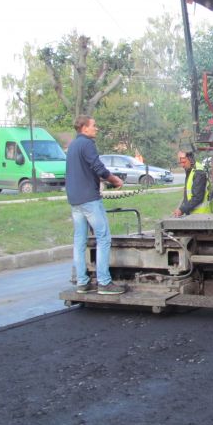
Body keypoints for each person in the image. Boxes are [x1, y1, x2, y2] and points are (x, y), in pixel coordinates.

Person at [66, 115, 126, 295]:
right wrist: (114, 179)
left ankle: (82, 282)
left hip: (75, 199)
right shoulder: (87, 144)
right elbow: (97, 167)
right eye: (94, 125)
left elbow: (81, 171)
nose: (96, 128)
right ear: (84, 128)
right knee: (103, 237)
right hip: (89, 200)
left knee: (79, 241)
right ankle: (104, 283)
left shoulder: (73, 146)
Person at [173, 151, 213, 217]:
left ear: (190, 159)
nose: (182, 165)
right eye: (180, 163)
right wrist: (182, 208)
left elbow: (197, 197)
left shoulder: (198, 172)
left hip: (202, 216)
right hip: (195, 215)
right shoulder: (191, 170)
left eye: (184, 162)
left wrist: (182, 210)